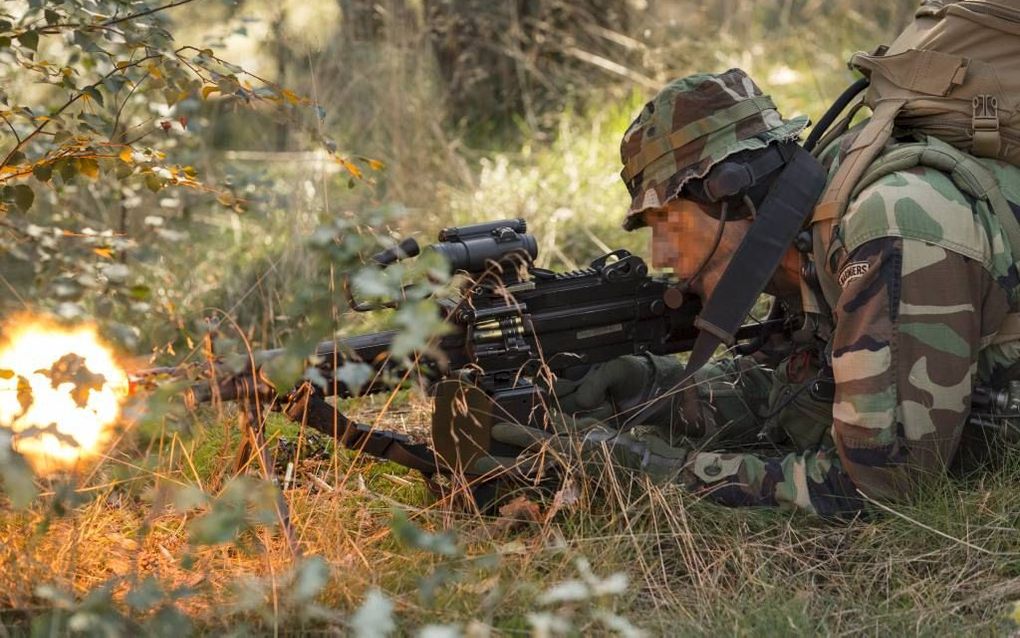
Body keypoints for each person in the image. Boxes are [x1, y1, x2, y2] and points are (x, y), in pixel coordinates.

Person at [486, 66, 1020, 518]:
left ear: (732, 190)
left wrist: (653, 471)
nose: (661, 256)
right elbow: (798, 391)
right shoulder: (808, 227)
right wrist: (650, 391)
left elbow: (885, 486)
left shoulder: (889, 226)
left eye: (668, 221)